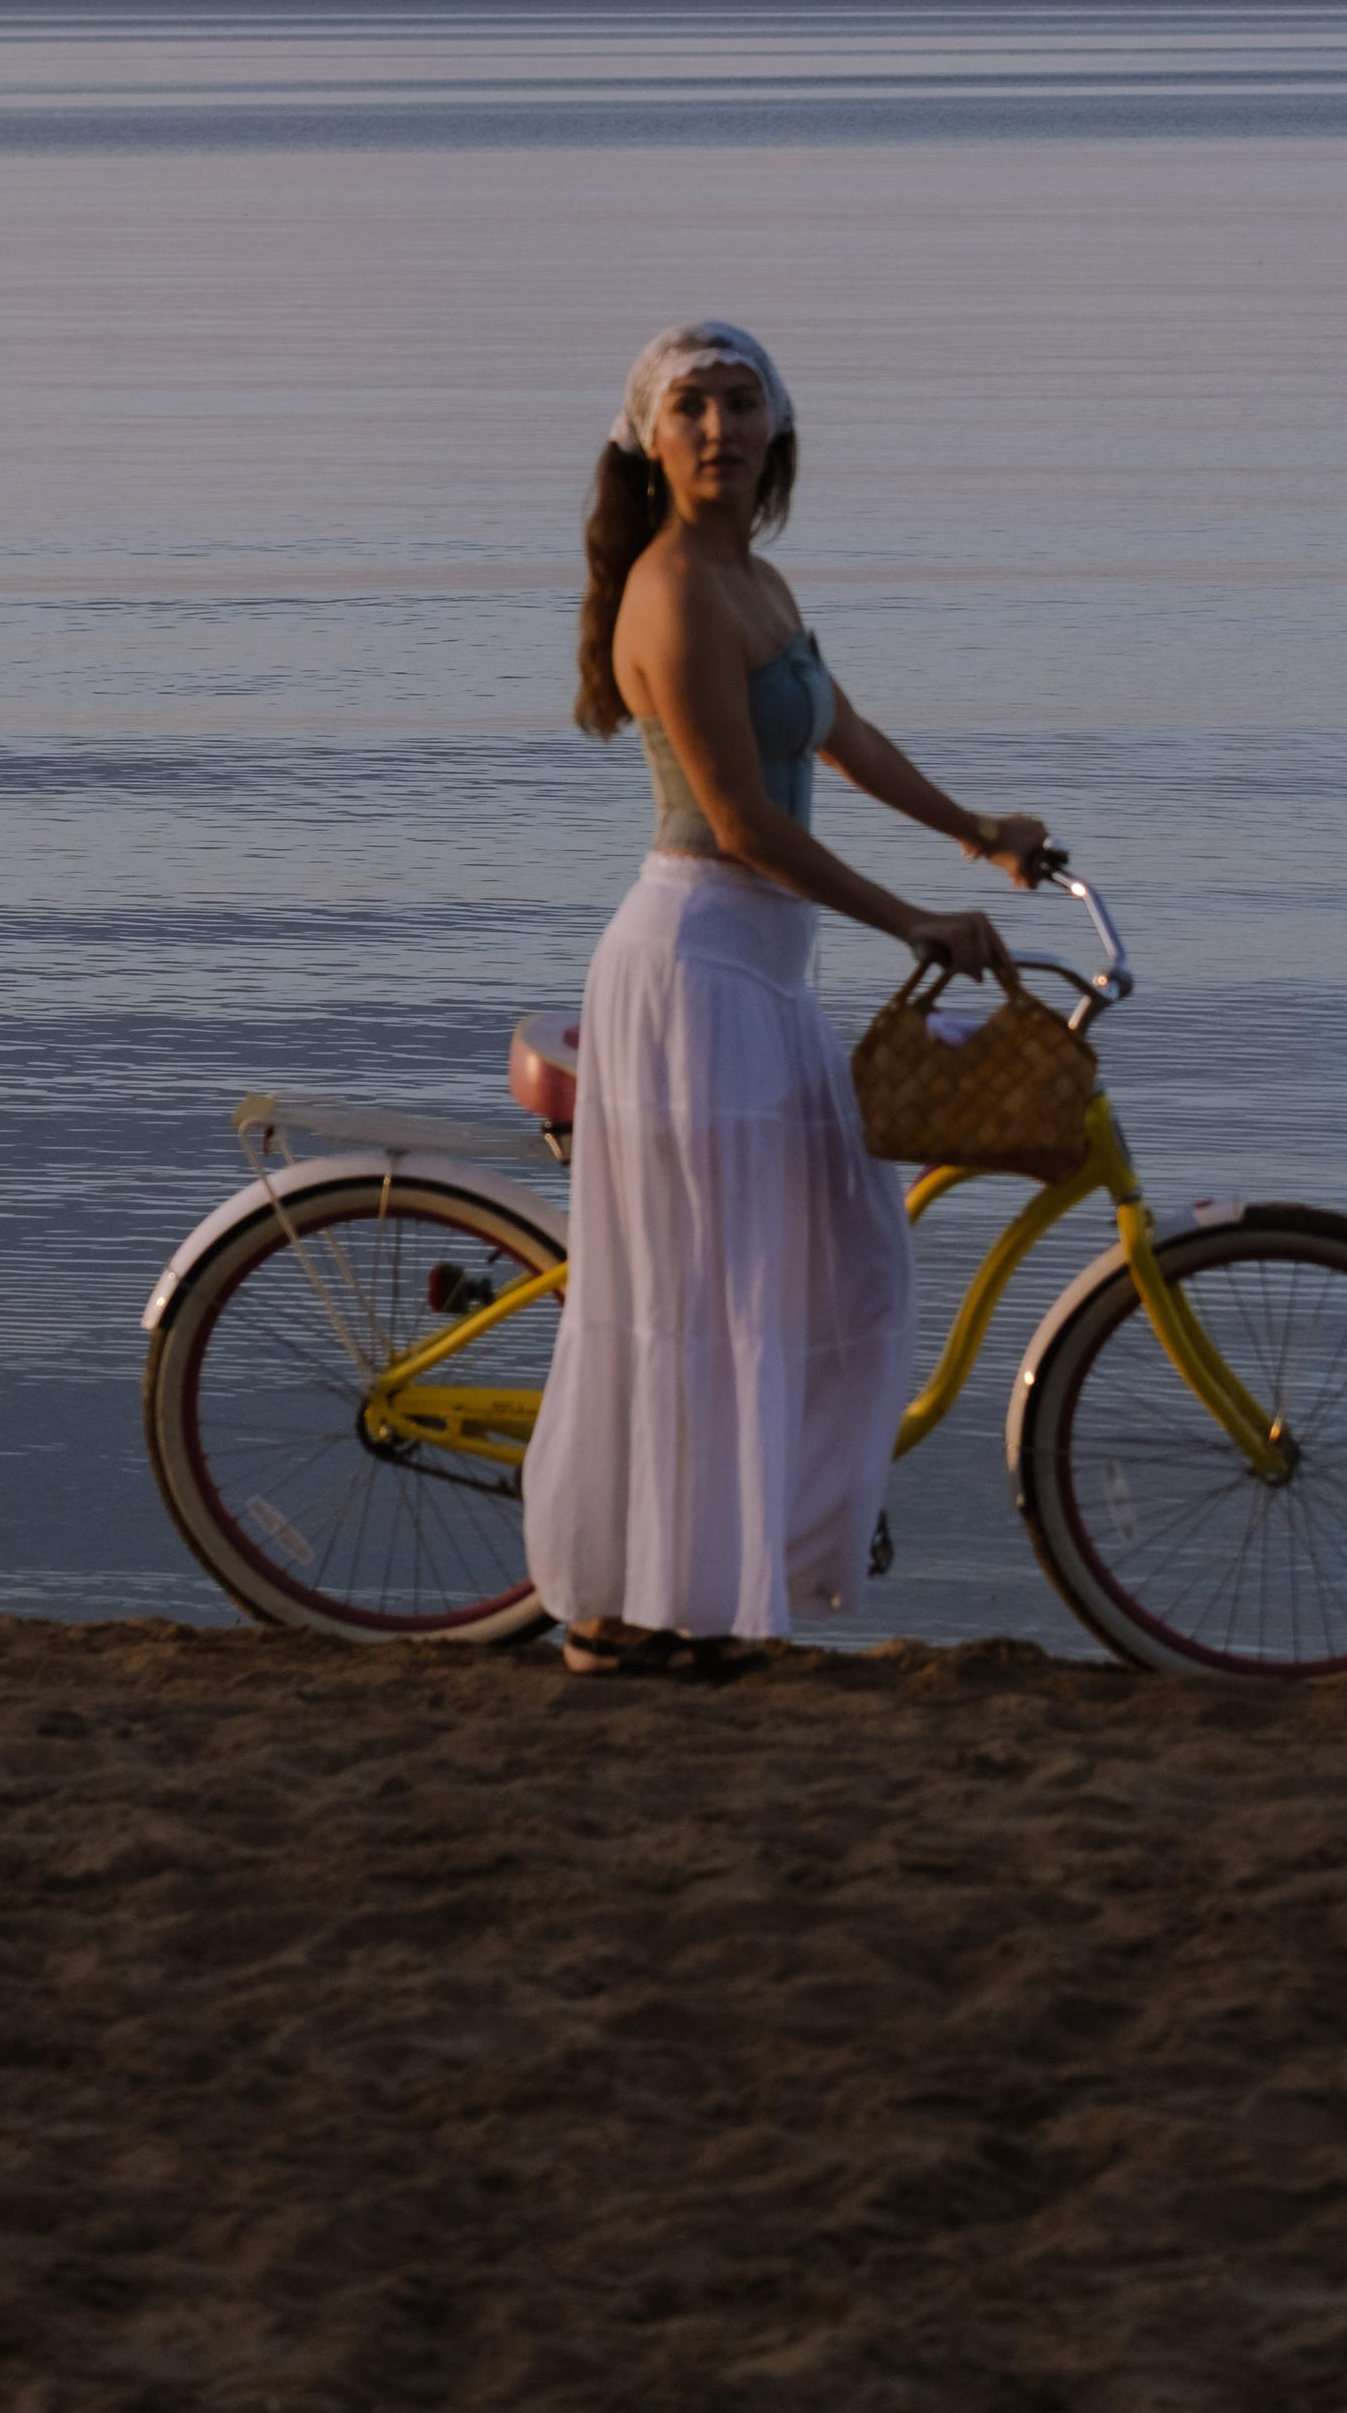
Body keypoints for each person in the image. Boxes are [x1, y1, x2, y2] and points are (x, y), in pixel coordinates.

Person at [521, 320, 1051, 1679]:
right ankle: (626, 1612)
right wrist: (914, 921)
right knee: (715, 1295)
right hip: (697, 964)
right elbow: (746, 823)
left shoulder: (754, 574)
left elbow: (844, 733)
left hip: (763, 972)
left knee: (842, 1256)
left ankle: (715, 1575)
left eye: (740, 402)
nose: (718, 429)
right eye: (689, 407)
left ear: (778, 428)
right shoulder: (673, 593)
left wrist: (974, 830)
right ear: (650, 438)